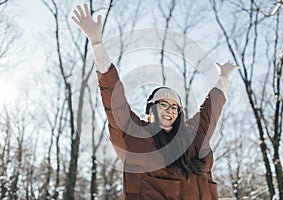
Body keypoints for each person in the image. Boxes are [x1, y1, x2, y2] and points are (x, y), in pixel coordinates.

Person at [72, 4, 238, 200]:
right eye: (164, 104)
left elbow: (212, 107)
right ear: (150, 109)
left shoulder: (191, 136)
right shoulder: (134, 136)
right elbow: (113, 97)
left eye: (175, 107)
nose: (170, 110)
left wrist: (224, 78)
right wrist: (97, 43)